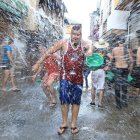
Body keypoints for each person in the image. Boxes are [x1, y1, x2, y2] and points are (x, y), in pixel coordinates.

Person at [32, 25, 92, 134]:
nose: (75, 36)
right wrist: (38, 62)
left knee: (76, 101)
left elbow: (90, 52)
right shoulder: (63, 43)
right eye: (74, 34)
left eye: (78, 34)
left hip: (78, 77)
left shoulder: (85, 44)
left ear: (81, 34)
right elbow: (48, 52)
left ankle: (73, 124)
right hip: (65, 76)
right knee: (64, 100)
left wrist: (87, 51)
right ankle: (64, 123)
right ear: (71, 34)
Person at [109, 39, 133, 109]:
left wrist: (110, 69)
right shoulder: (127, 50)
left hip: (117, 69)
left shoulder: (114, 49)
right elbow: (131, 61)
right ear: (124, 42)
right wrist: (130, 72)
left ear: (118, 42)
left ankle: (118, 105)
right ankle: (124, 103)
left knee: (117, 88)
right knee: (125, 87)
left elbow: (111, 60)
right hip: (125, 69)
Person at [90, 39, 109, 108]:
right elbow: (107, 62)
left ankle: (93, 102)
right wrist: (106, 67)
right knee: (101, 88)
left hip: (95, 70)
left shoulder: (94, 51)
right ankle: (100, 103)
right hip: (102, 71)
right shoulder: (105, 52)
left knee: (93, 87)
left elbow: (89, 60)